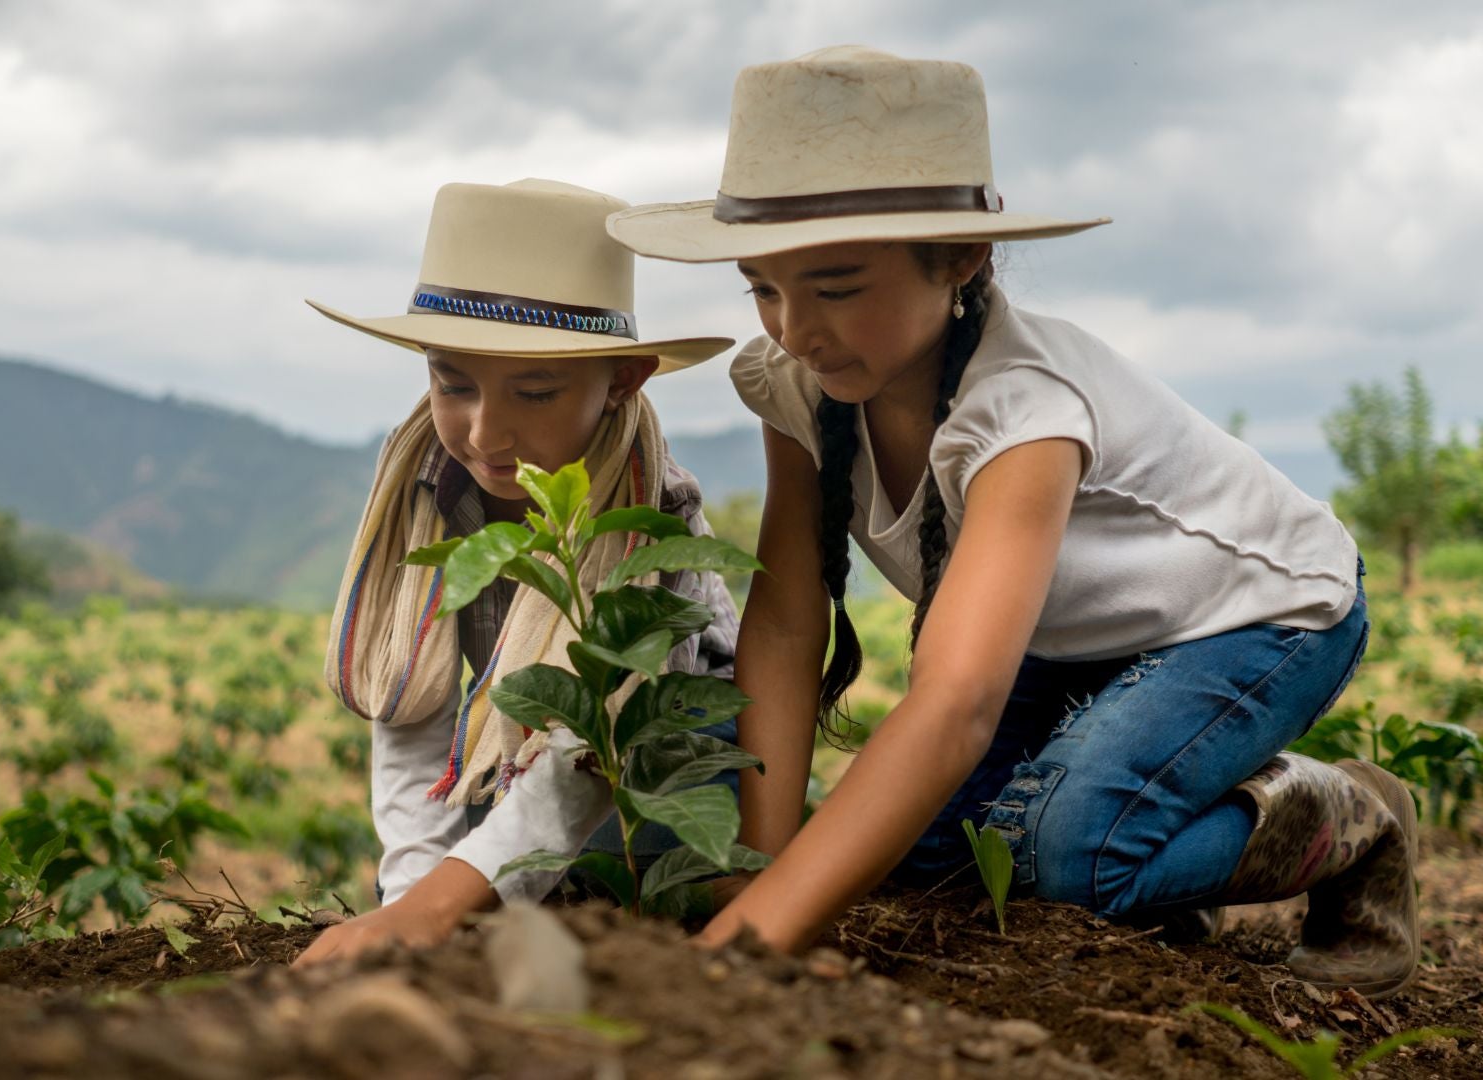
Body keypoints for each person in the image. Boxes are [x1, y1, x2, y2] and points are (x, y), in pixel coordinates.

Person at [606, 47, 1414, 998]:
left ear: (961, 257)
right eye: (763, 287)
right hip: (1072, 637)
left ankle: (1355, 815)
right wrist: (764, 872)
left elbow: (955, 704)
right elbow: (786, 624)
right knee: (929, 865)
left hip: (1256, 615)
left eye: (834, 286)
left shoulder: (1023, 407)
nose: (794, 327)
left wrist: (747, 947)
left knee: (1071, 855)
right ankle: (1157, 865)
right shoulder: (794, 384)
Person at [294, 179, 740, 965]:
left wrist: (444, 904)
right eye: (451, 383)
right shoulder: (425, 486)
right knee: (461, 853)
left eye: (533, 391)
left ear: (622, 383)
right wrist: (410, 908)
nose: (484, 432)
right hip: (524, 762)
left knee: (612, 855)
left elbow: (589, 753)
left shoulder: (651, 512)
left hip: (660, 767)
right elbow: (412, 702)